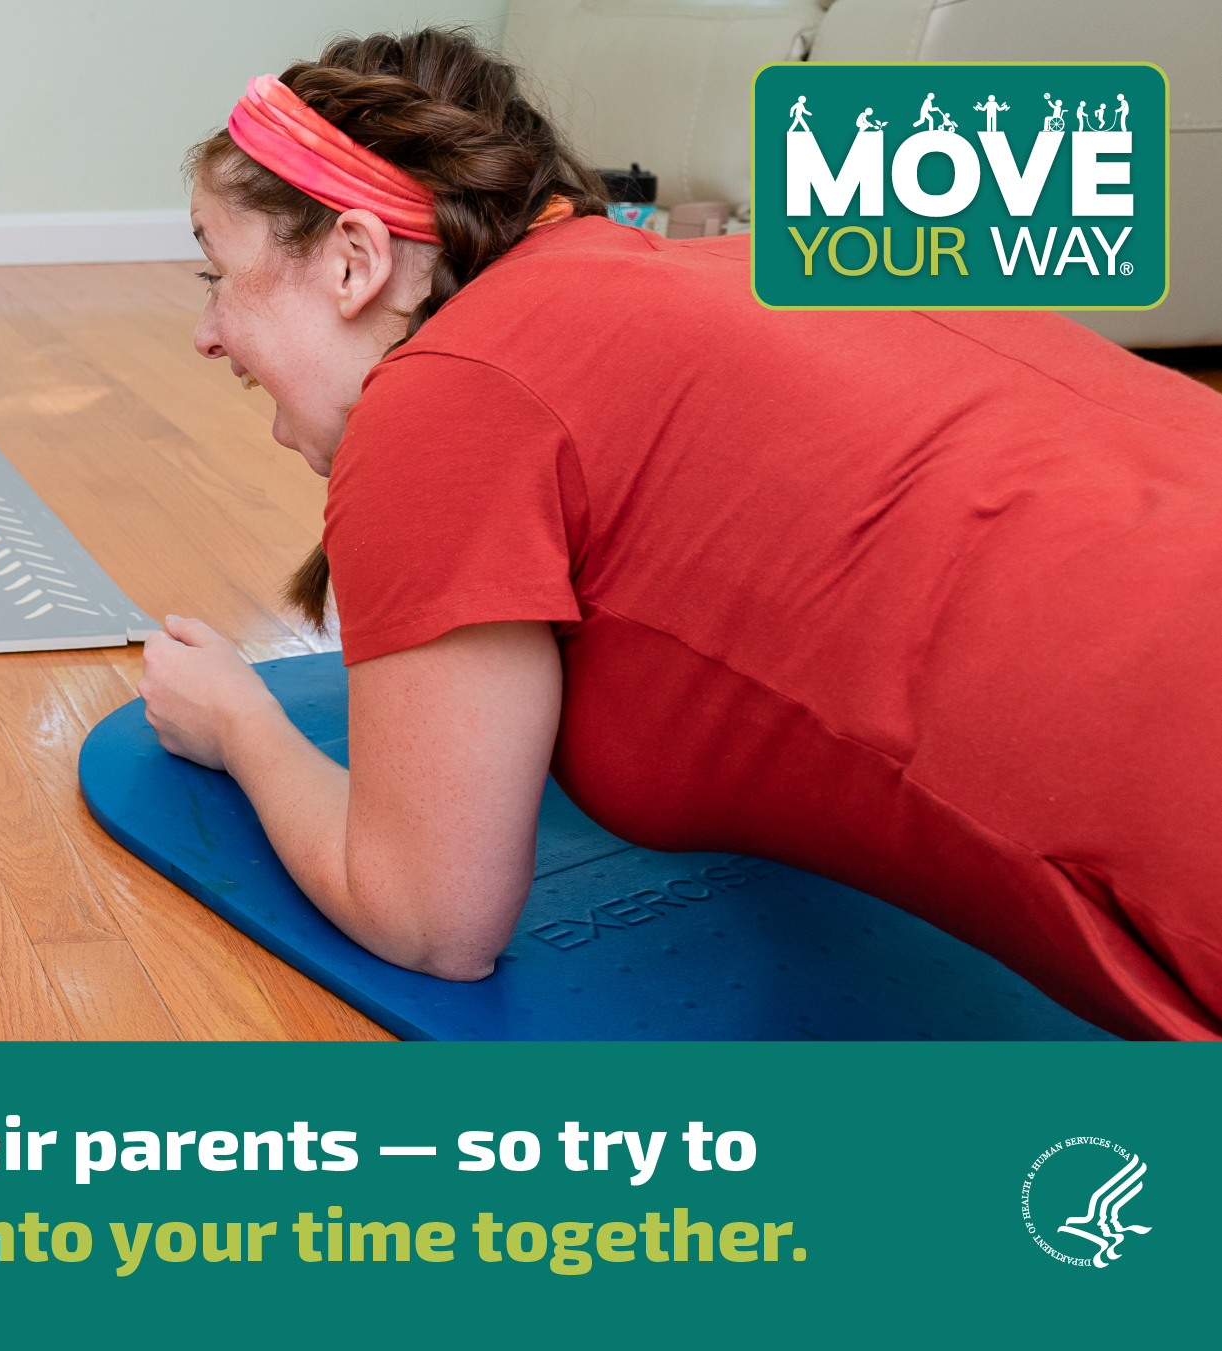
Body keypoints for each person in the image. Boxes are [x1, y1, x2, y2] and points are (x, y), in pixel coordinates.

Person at [140, 30, 1222, 1040]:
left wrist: (242, 727)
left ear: (352, 259)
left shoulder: (443, 395)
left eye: (215, 274)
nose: (203, 333)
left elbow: (432, 918)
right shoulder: (749, 259)